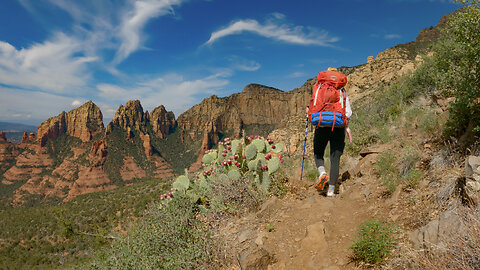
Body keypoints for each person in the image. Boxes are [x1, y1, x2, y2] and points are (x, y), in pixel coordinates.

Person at [308, 67, 352, 197]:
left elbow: (312, 107)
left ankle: (322, 173)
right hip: (338, 127)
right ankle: (331, 190)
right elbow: (348, 112)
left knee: (318, 153)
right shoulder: (342, 91)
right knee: (335, 159)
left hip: (321, 126)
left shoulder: (319, 88)